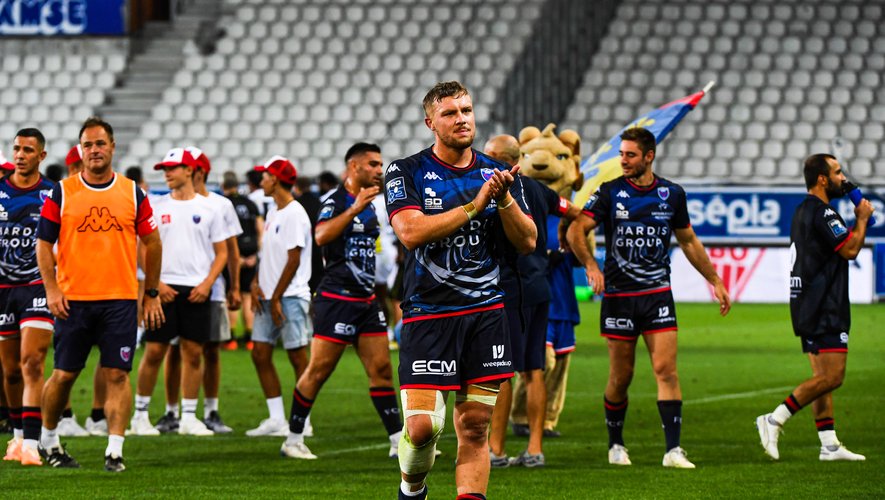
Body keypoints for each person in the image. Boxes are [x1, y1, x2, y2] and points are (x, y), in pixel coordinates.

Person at [386, 81, 536, 500]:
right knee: (421, 429)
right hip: (429, 314)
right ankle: (412, 488)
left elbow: (527, 241)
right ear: (430, 122)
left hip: (486, 314)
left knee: (474, 428)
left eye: (466, 110)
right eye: (450, 113)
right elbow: (410, 231)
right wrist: (474, 204)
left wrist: (502, 200)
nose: (462, 119)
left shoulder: (496, 173)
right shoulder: (406, 170)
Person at [566, 126, 730, 469]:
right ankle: (616, 444)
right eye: (621, 154)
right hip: (619, 298)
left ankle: (673, 451)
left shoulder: (672, 194)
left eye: (630, 155)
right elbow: (576, 228)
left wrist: (714, 278)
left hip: (657, 297)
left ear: (649, 157)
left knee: (666, 371)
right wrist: (591, 267)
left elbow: (688, 241)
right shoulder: (610, 192)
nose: (623, 161)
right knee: (620, 378)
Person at [37, 117, 163, 471]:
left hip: (120, 300)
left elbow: (153, 243)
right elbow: (43, 244)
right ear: (81, 150)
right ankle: (49, 440)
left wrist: (150, 292)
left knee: (118, 374)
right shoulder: (62, 192)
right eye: (87, 145)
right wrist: (52, 289)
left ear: (112, 147)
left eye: (100, 143)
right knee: (63, 375)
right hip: (72, 300)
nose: (94, 150)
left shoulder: (132, 192)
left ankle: (115, 450)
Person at [280, 143, 403, 459]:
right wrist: (353, 209)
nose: (379, 170)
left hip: (366, 300)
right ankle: (293, 439)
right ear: (355, 167)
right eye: (374, 164)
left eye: (381, 164)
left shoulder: (372, 205)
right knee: (319, 370)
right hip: (336, 299)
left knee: (382, 370)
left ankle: (397, 441)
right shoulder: (336, 201)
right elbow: (321, 236)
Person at [755, 154, 873, 462]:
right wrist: (861, 219)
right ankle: (774, 419)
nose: (842, 178)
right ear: (822, 179)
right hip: (824, 306)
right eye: (837, 172)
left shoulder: (803, 211)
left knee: (822, 377)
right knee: (833, 377)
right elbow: (849, 249)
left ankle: (829, 444)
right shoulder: (822, 213)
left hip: (807, 303)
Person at [483, 134, 581, 469]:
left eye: (489, 156)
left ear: (506, 160)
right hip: (538, 288)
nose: (483, 160)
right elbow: (575, 211)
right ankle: (535, 448)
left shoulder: (495, 190)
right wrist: (565, 240)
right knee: (533, 369)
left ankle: (495, 449)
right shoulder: (540, 190)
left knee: (502, 370)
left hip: (509, 289)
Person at [130, 147, 227, 437]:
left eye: (173, 168)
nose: (167, 174)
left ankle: (188, 416)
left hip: (197, 289)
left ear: (190, 170)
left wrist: (208, 283)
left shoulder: (211, 208)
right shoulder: (156, 206)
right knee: (155, 351)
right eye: (165, 169)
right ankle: (140, 416)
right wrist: (155, 285)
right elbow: (141, 249)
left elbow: (221, 252)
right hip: (163, 289)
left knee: (194, 353)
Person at [245, 157, 313, 439]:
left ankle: (303, 421)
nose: (261, 180)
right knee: (260, 354)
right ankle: (275, 418)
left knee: (298, 358)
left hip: (290, 296)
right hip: (271, 295)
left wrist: (275, 296)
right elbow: (271, 255)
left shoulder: (294, 213)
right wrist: (256, 282)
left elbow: (294, 259)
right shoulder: (274, 210)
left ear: (276, 179)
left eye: (265, 176)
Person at [0, 129, 56, 466]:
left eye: (28, 150)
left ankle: (33, 444)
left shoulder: (53, 194)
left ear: (41, 156)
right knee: (9, 371)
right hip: (3, 290)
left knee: (32, 361)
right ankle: (18, 439)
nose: (21, 155)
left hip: (37, 286)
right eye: (17, 149)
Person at [222, 171, 261, 349]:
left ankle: (230, 339)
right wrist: (255, 255)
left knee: (231, 295)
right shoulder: (250, 204)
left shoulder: (224, 205)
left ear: (224, 187)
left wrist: (235, 259)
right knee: (246, 297)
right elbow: (260, 230)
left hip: (232, 256)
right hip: (251, 253)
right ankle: (250, 337)